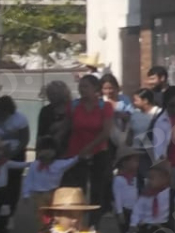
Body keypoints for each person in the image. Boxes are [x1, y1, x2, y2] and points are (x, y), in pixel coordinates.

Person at [61, 75, 115, 213]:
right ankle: (77, 217)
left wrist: (89, 148)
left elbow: (106, 132)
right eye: (80, 86)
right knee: (78, 188)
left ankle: (94, 220)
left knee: (97, 188)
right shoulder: (73, 106)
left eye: (85, 86)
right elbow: (66, 128)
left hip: (98, 151)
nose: (82, 89)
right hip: (76, 152)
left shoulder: (105, 107)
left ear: (95, 88)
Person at [21, 138, 83, 216]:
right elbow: (28, 180)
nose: (47, 152)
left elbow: (72, 161)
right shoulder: (34, 165)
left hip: (54, 194)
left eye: (50, 149)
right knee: (42, 215)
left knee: (55, 214)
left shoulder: (59, 164)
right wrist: (26, 194)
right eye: (44, 149)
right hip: (38, 195)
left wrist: (80, 156)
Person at [112, 148, 142, 233]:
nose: (136, 163)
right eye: (133, 161)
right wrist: (119, 213)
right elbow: (118, 197)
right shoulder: (119, 179)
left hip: (134, 210)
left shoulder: (135, 178)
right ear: (124, 163)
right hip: (125, 211)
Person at [127, 88, 162, 184]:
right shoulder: (135, 114)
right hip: (137, 151)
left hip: (153, 152)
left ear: (145, 100)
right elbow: (130, 132)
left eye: (136, 100)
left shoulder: (158, 113)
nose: (134, 103)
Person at [101, 73, 133, 148]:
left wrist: (121, 115)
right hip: (105, 138)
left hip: (123, 135)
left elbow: (131, 115)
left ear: (116, 87)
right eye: (105, 89)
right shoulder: (100, 101)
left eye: (110, 88)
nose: (108, 91)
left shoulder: (124, 99)